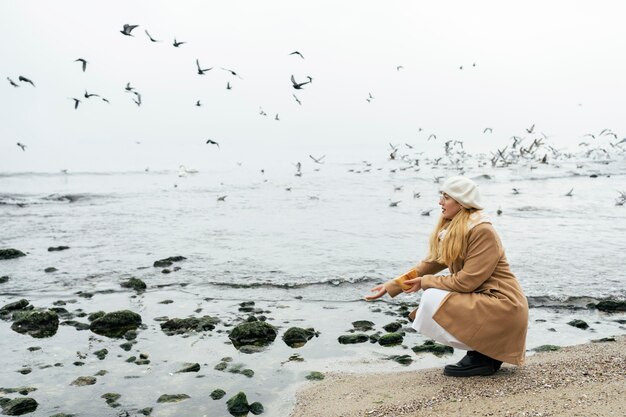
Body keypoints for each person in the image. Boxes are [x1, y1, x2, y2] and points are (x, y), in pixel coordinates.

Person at [365, 176, 528, 377]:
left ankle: (484, 354)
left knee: (432, 297)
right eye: (442, 196)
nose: (440, 202)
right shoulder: (458, 229)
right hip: (488, 305)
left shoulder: (482, 230)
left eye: (446, 197)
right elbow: (431, 263)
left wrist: (425, 283)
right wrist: (392, 286)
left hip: (503, 306)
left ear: (461, 203)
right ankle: (484, 354)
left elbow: (467, 282)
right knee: (432, 295)